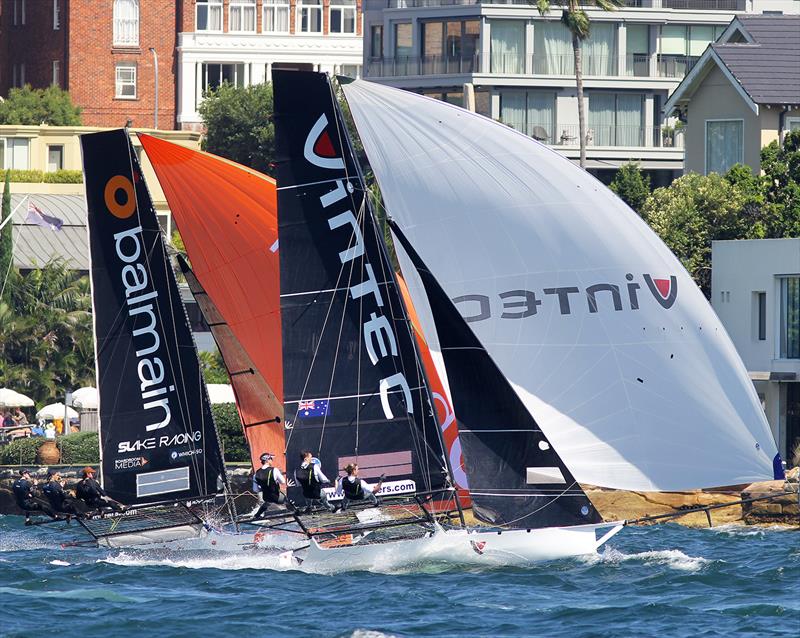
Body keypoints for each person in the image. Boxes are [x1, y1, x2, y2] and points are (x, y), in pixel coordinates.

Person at [252, 453, 294, 518]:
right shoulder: (274, 470)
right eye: (271, 459)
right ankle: (296, 513)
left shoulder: (256, 474)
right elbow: (283, 482)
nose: (272, 460)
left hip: (266, 497)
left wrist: (263, 487)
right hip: (276, 497)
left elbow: (255, 489)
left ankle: (257, 515)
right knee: (287, 501)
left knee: (267, 502)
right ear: (267, 460)